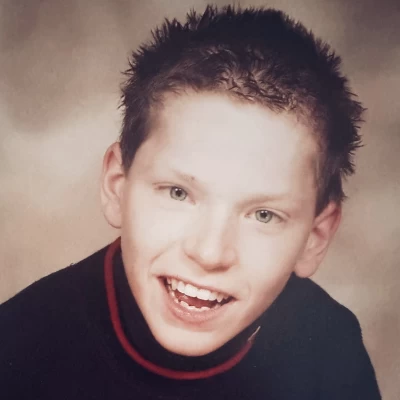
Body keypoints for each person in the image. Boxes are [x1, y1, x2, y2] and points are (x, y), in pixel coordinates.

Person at [0, 4, 381, 399]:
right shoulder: (19, 347)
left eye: (264, 215)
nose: (209, 253)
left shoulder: (328, 350)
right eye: (178, 193)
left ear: (314, 239)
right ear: (117, 186)